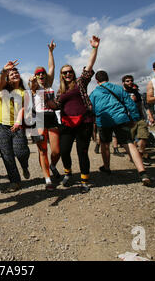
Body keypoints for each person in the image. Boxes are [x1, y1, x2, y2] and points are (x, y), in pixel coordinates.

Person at [48, 36, 100, 193]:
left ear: (73, 72)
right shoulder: (60, 91)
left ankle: (84, 180)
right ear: (61, 75)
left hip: (84, 122)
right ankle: (68, 174)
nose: (68, 74)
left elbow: (89, 66)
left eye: (70, 71)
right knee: (64, 151)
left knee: (82, 152)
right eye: (65, 73)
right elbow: (56, 105)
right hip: (67, 124)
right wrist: (48, 102)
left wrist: (94, 48)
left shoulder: (80, 83)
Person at [90, 70, 152, 186]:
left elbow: (92, 109)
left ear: (96, 81)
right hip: (121, 118)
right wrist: (134, 118)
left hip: (104, 120)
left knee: (105, 144)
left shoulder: (94, 93)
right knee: (128, 143)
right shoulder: (118, 88)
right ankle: (142, 172)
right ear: (107, 78)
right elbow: (130, 104)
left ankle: (107, 167)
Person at [0, 60, 31, 193]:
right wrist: (4, 70)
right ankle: (15, 181)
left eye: (16, 72)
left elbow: (23, 109)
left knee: (21, 151)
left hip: (16, 125)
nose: (14, 74)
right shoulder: (3, 88)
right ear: (8, 77)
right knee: (7, 155)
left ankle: (24, 165)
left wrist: (18, 122)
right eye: (11, 73)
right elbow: (1, 80)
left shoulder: (24, 92)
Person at [28, 40, 61, 191]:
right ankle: (48, 179)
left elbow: (52, 67)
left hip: (51, 117)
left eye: (42, 73)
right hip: (39, 119)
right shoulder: (34, 87)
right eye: (38, 74)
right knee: (43, 151)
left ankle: (53, 166)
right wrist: (31, 81)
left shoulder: (49, 84)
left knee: (56, 151)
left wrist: (51, 52)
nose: (41, 75)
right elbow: (31, 86)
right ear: (35, 77)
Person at [122, 75, 155, 166]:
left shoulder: (136, 93)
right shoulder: (121, 93)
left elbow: (142, 105)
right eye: (127, 81)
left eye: (131, 80)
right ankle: (134, 157)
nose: (130, 82)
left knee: (144, 136)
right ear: (123, 83)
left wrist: (149, 115)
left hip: (139, 118)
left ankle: (139, 155)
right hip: (127, 119)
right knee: (131, 141)